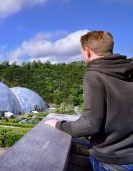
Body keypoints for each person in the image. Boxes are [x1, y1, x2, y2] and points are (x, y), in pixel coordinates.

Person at [45, 31, 133, 170]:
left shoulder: (94, 74)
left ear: (87, 51)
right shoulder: (128, 71)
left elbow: (89, 125)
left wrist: (59, 124)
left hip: (111, 161)